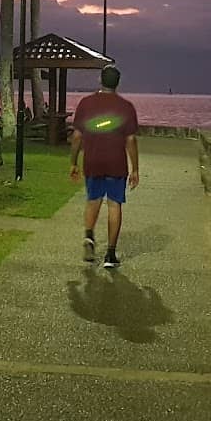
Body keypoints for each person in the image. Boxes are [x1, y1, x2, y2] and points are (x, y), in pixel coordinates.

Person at [69, 65, 140, 269]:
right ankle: (110, 254)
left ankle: (89, 236)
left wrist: (73, 162)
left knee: (93, 200)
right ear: (117, 83)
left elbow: (77, 137)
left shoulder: (86, 103)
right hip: (116, 163)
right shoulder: (126, 107)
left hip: (93, 161)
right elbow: (131, 140)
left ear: (100, 80)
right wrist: (135, 168)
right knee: (114, 204)